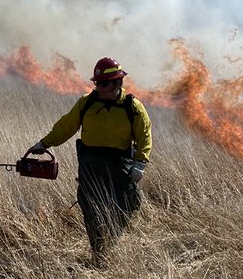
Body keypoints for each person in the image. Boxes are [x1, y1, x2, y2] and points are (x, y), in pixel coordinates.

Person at [29, 57, 152, 257]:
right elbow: (66, 126)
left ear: (117, 83)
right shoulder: (86, 103)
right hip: (90, 162)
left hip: (119, 163)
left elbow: (144, 136)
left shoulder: (133, 107)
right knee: (90, 205)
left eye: (103, 83)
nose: (99, 87)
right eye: (96, 83)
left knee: (130, 201)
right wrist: (44, 143)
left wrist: (140, 163)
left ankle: (110, 238)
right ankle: (98, 251)